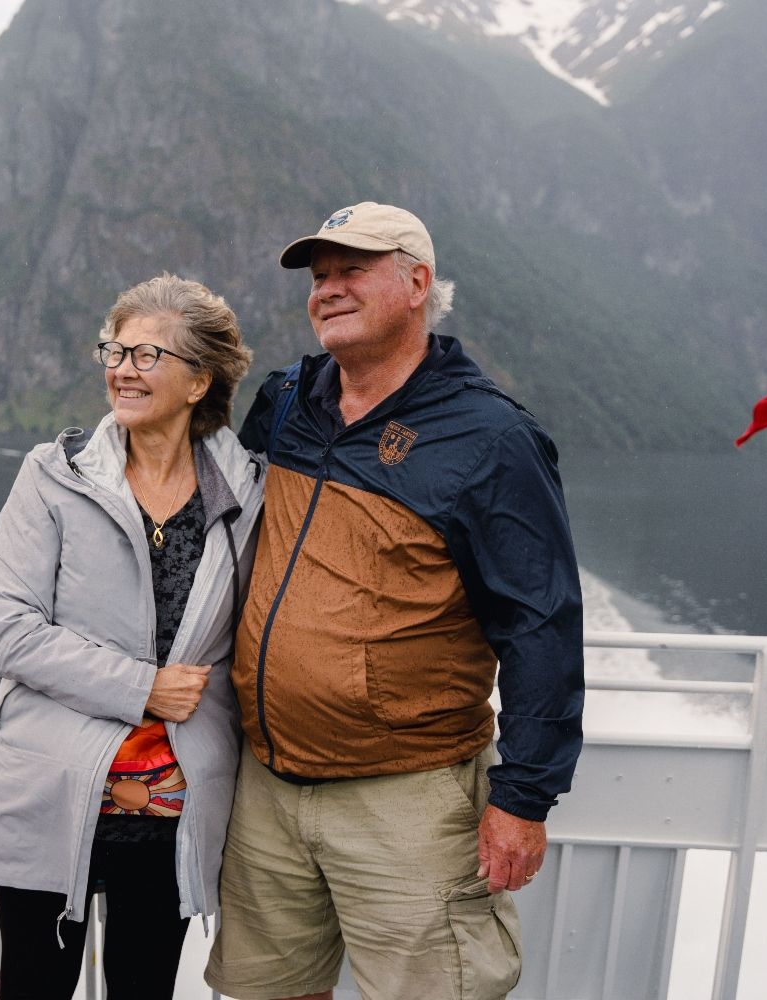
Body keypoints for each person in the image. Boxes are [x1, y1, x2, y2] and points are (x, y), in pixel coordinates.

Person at [204, 203, 585, 1000]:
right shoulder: (287, 401)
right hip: (268, 786)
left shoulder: (490, 438)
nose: (329, 290)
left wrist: (522, 797)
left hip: (406, 798)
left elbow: (541, 625)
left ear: (417, 284)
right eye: (320, 277)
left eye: (352, 270)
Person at [0, 273, 261, 999]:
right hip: (51, 791)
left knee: (144, 990)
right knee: (33, 987)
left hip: (175, 805)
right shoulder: (52, 476)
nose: (122, 368)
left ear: (197, 383)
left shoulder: (249, 494)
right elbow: (6, 624)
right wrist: (143, 687)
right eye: (114, 351)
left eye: (148, 355)